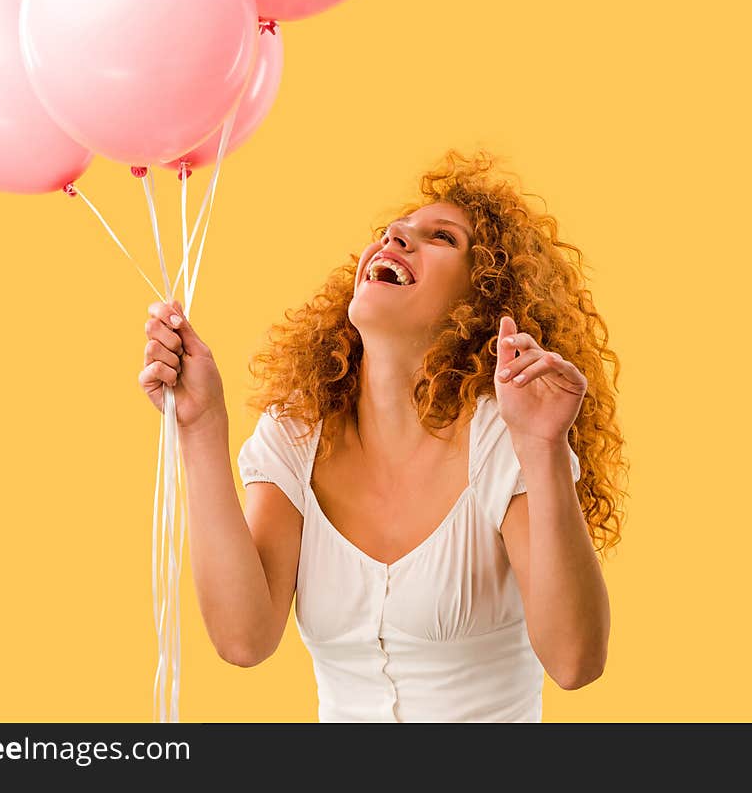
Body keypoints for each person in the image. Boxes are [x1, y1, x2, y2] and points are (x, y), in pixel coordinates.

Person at [139, 148, 627, 722]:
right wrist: (201, 427)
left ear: (482, 302)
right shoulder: (296, 433)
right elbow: (243, 640)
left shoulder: (507, 438)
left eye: (441, 237)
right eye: (393, 231)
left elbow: (576, 662)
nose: (396, 235)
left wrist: (546, 449)